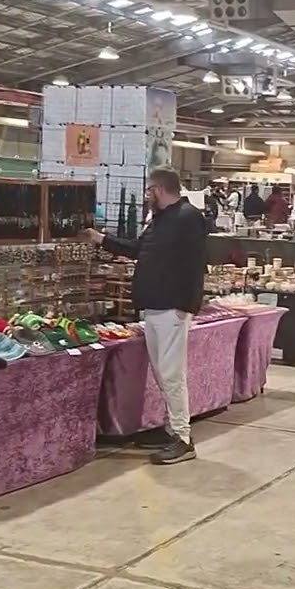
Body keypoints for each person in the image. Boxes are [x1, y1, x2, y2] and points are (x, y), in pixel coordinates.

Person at [82, 167, 206, 465]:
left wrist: (187, 305)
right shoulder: (160, 220)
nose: (147, 195)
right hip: (154, 306)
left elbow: (195, 265)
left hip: (172, 308)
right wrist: (101, 239)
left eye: (149, 190)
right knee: (164, 373)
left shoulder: (189, 219)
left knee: (172, 375)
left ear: (160, 189)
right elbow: (140, 250)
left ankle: (183, 437)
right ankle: (171, 428)